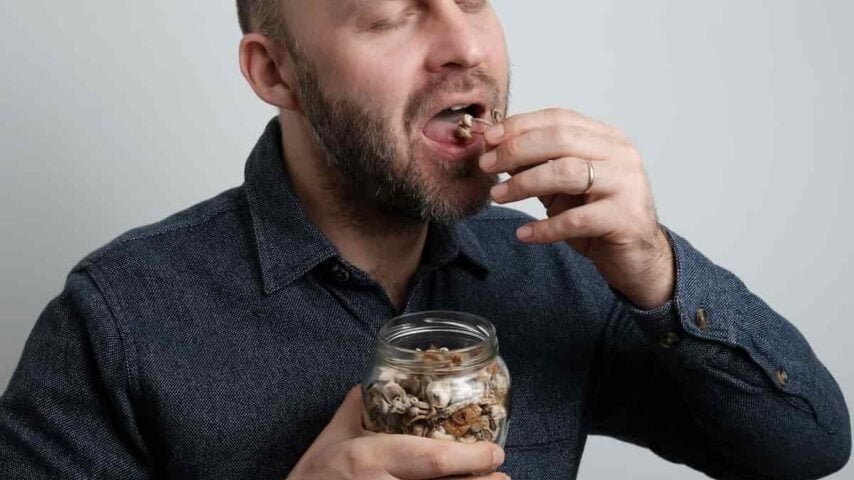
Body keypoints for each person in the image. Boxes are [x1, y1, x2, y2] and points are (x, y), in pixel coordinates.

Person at [1, 1, 850, 478]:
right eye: (390, 13)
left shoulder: (556, 266)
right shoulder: (119, 317)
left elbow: (807, 447)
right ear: (275, 71)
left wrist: (654, 267)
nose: (465, 47)